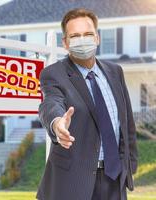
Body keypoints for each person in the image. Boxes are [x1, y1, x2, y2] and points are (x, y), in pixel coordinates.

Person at [36, 8, 138, 200]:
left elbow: (126, 123)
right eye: (75, 36)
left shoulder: (115, 71)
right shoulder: (53, 74)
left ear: (97, 38)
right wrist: (57, 124)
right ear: (65, 43)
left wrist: (129, 165)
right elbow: (50, 103)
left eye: (88, 34)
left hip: (114, 178)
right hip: (73, 182)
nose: (82, 40)